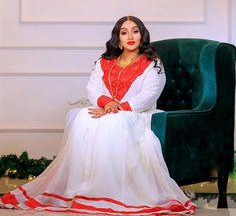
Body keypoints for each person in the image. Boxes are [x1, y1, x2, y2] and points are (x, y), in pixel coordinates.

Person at [0, 16, 196, 214]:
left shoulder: (152, 63)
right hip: (107, 109)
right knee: (81, 116)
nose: (130, 36)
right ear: (117, 38)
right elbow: (93, 89)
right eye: (124, 32)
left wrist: (118, 108)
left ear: (142, 35)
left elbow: (150, 94)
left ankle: (111, 192)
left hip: (138, 113)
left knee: (114, 122)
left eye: (135, 31)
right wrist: (107, 104)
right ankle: (82, 189)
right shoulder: (105, 61)